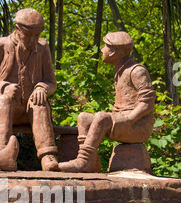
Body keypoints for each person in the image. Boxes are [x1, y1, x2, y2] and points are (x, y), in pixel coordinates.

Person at [59, 31, 156, 173]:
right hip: (124, 121)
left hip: (138, 126)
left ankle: (83, 161)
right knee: (83, 118)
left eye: (105, 47)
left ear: (113, 52)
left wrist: (129, 118)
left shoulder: (136, 71)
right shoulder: (120, 70)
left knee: (102, 117)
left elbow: (147, 103)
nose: (102, 50)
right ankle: (90, 161)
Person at [0, 8, 58, 172]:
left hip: (30, 112)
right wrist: (4, 87)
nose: (33, 39)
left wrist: (42, 88)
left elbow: (51, 82)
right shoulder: (1, 45)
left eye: (37, 35)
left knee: (39, 101)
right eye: (29, 34)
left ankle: (48, 156)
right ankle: (2, 154)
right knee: (3, 99)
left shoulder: (42, 48)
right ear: (17, 29)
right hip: (4, 110)